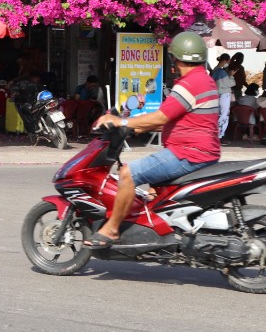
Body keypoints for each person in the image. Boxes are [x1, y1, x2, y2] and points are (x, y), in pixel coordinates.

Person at [85, 31, 220, 249]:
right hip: (202, 151)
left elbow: (160, 117)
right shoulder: (205, 80)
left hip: (188, 153)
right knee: (150, 191)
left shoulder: (188, 84)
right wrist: (137, 126)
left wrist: (122, 123)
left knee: (127, 174)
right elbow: (180, 120)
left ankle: (111, 229)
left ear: (174, 58)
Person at [210, 52, 233, 141]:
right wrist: (231, 76)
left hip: (216, 94)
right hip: (223, 95)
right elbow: (230, 83)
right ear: (224, 61)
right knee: (223, 115)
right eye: (228, 61)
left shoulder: (215, 70)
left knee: (217, 114)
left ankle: (217, 133)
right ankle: (220, 134)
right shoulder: (222, 72)